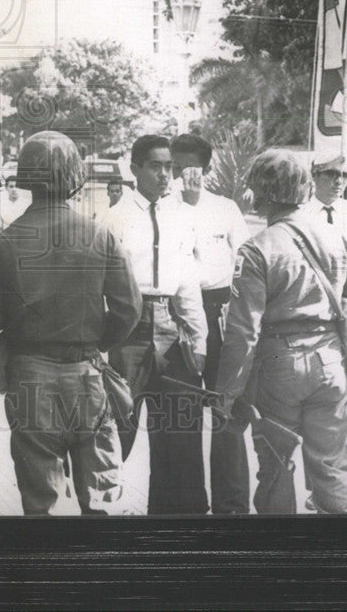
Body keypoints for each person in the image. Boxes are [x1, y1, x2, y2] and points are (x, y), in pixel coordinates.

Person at [0, 132, 141, 515]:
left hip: (29, 376)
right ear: (75, 176)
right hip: (87, 374)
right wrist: (95, 343)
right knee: (101, 498)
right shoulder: (101, 235)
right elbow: (129, 309)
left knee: (40, 502)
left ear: (26, 179)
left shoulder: (3, 243)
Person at [213, 148, 347, 514]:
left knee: (277, 469)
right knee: (332, 468)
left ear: (262, 193)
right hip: (330, 362)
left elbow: (243, 333)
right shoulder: (337, 239)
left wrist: (226, 395)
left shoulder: (256, 250)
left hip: (278, 366)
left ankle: (280, 559)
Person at [105, 135, 209, 515]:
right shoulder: (113, 218)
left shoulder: (180, 216)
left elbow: (188, 285)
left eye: (170, 167)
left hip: (170, 330)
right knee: (116, 430)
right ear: (135, 170)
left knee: (181, 431)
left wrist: (199, 342)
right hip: (126, 331)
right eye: (156, 166)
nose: (166, 174)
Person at [170, 133, 251, 514]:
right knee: (182, 414)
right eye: (176, 167)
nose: (185, 176)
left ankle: (231, 506)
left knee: (226, 411)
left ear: (206, 168)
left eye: (193, 168)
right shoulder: (165, 209)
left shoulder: (226, 209)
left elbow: (245, 262)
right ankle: (187, 506)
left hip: (220, 311)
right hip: (178, 316)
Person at [303, 154, 347, 256]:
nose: (339, 181)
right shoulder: (301, 213)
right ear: (315, 175)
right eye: (331, 174)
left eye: (344, 175)